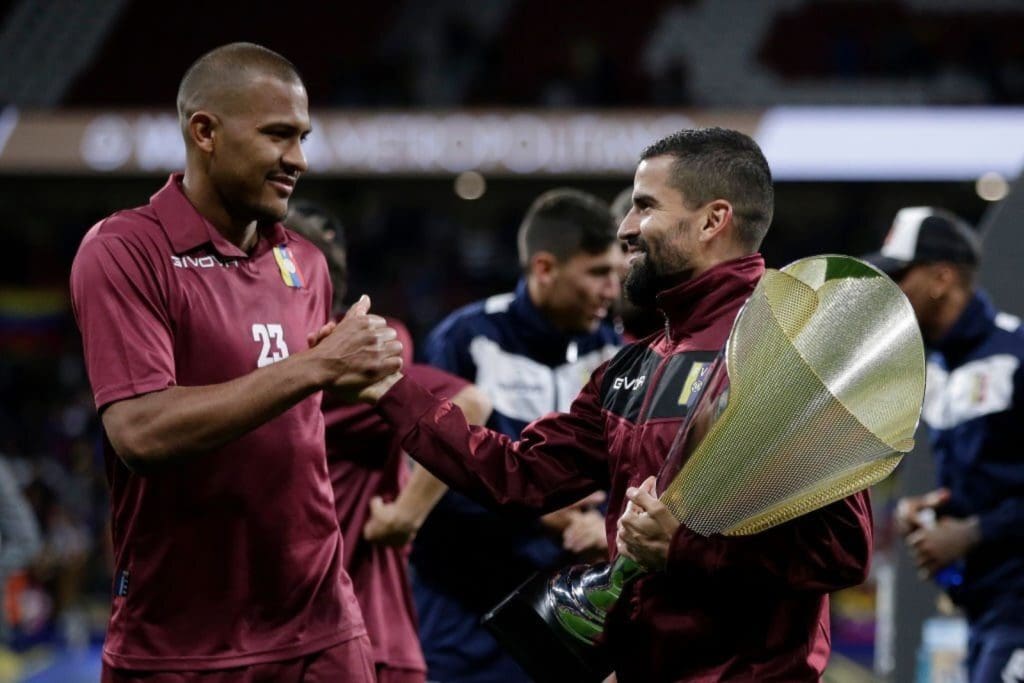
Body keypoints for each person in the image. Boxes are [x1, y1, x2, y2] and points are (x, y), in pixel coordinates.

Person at [365, 128, 874, 681]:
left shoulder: (788, 351)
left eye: (644, 207)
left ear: (713, 220)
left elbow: (843, 549)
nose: (625, 228)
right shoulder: (634, 363)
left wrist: (686, 548)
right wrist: (386, 387)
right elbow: (519, 476)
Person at [69, 43, 404, 682]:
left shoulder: (303, 262)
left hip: (323, 628)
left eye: (302, 137)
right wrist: (316, 368)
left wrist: (350, 378)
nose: (298, 160)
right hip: (180, 644)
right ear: (206, 132)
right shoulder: (124, 251)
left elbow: (292, 416)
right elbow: (140, 431)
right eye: (279, 136)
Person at [401, 188, 622, 682]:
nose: (613, 288)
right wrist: (540, 510)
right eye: (598, 273)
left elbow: (637, 466)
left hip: (566, 608)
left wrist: (605, 523)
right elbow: (428, 475)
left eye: (616, 272)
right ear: (544, 268)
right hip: (463, 609)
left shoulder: (617, 353)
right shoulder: (465, 339)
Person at [285, 201, 493, 683]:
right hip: (309, 634)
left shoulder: (345, 367)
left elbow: (470, 401)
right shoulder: (285, 370)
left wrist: (407, 515)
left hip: (360, 634)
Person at [870, 207, 1024, 683]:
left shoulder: (1017, 355)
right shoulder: (934, 367)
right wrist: (930, 512)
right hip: (982, 607)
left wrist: (970, 532)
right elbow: (988, 481)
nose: (890, 292)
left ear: (941, 277)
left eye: (900, 275)